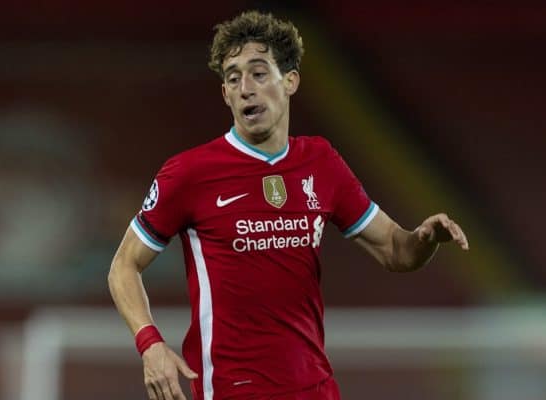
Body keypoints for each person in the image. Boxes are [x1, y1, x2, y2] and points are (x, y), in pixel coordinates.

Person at [108, 10, 469, 400]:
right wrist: (150, 344)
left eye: (259, 73)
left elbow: (396, 249)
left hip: (315, 388)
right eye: (233, 78)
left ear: (290, 81)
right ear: (226, 94)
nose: (246, 87)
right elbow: (123, 266)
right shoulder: (189, 173)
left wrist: (425, 238)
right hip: (235, 391)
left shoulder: (321, 162)